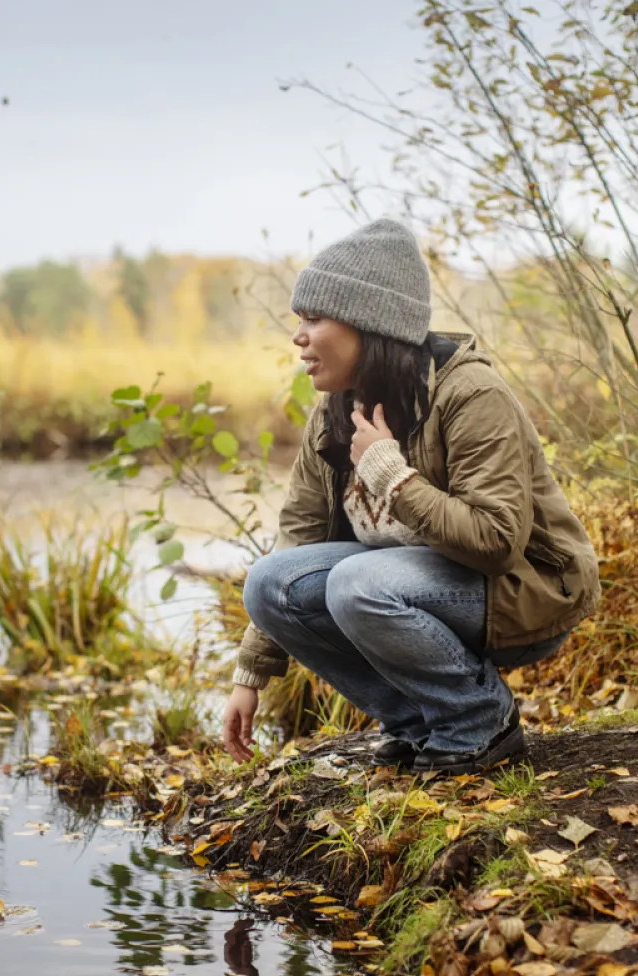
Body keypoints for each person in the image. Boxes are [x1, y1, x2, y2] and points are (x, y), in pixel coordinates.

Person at [220, 219, 600, 775]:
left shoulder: (470, 394)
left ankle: (478, 721)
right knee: (270, 582)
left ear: (368, 324)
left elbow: (497, 542)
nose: (298, 337)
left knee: (357, 583)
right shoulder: (333, 412)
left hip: (526, 589)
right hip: (414, 588)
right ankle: (422, 722)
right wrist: (250, 674)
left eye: (313, 319)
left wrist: (392, 477)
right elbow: (296, 542)